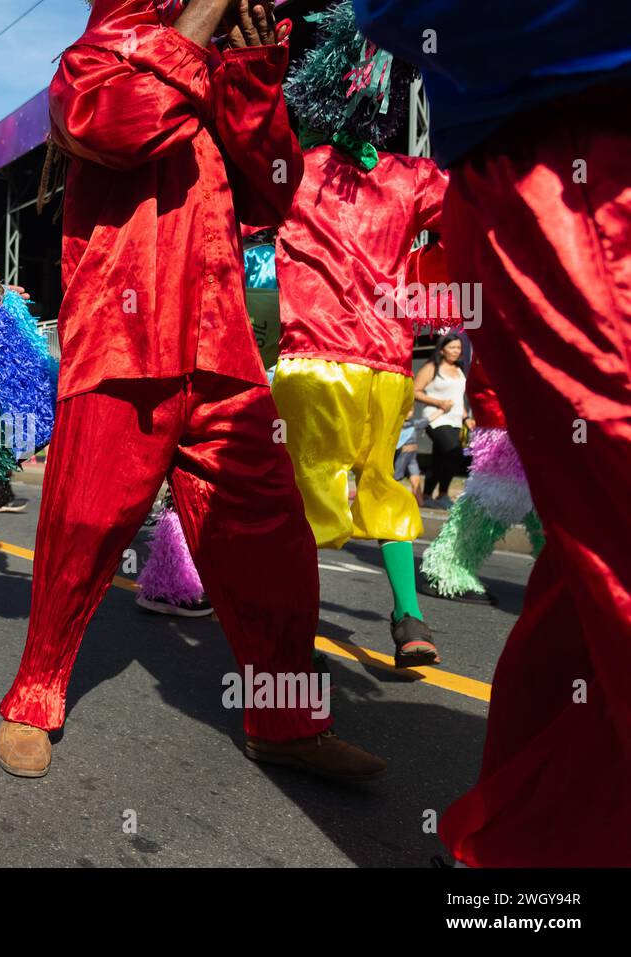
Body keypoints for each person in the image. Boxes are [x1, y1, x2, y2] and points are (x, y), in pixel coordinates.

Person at [0, 1, 384, 781]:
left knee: (273, 542)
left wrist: (249, 78)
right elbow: (125, 129)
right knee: (81, 527)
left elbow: (274, 189)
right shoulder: (89, 63)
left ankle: (283, 719)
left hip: (221, 345)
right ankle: (35, 692)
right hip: (121, 338)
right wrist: (197, 30)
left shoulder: (210, 66)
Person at [354, 0, 631, 868]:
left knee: (580, 582)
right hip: (564, 174)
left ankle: (519, 860)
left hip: (398, 373)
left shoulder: (405, 190)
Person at [270, 3, 447, 668]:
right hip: (389, 373)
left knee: (304, 500)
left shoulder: (294, 170)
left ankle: (293, 634)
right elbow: (468, 203)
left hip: (314, 365)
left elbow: (232, 209)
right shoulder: (410, 177)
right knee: (383, 484)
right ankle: (408, 619)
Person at [419, 358, 543, 605]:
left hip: (554, 399)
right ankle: (449, 565)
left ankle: (568, 575)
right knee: (501, 491)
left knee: (551, 495)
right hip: (518, 397)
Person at [413, 333, 469, 509]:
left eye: (458, 348)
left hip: (456, 420)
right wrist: (438, 402)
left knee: (441, 458)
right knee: (454, 452)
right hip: (435, 418)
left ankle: (428, 495)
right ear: (442, 349)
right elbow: (415, 391)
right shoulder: (432, 367)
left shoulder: (459, 370)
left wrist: (467, 417)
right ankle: (443, 493)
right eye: (452, 347)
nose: (455, 351)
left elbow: (458, 397)